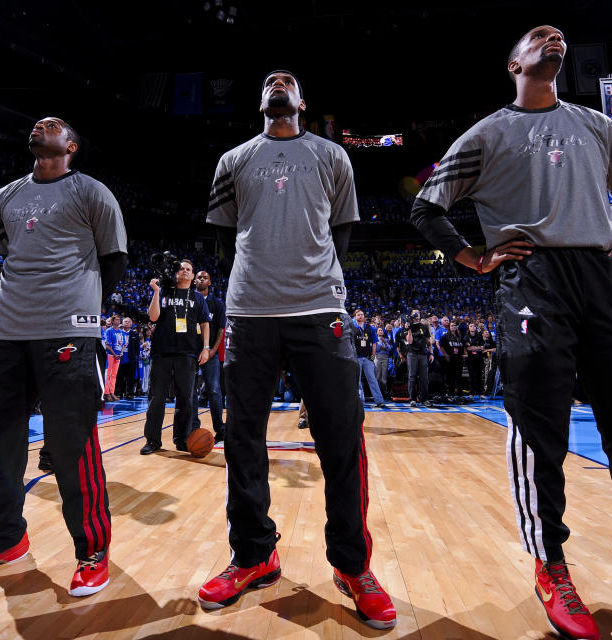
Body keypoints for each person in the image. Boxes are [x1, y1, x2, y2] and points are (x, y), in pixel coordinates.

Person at [408, 26, 612, 640]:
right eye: (536, 35)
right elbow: (425, 207)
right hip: (533, 277)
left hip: (601, 277)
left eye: (557, 32)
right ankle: (552, 566)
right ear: (514, 62)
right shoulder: (486, 133)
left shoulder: (598, 125)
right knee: (540, 427)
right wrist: (475, 258)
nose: (552, 34)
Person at [200, 70, 395, 629]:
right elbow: (223, 237)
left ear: (302, 102)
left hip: (319, 311)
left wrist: (315, 281)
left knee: (340, 438)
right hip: (251, 314)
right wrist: (253, 284)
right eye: (268, 81)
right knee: (243, 439)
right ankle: (254, 555)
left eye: (287, 81)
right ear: (261, 102)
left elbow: (342, 233)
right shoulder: (232, 161)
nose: (277, 83)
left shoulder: (334, 157)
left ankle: (353, 567)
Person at [0, 117, 128, 598]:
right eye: (38, 123)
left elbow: (114, 259)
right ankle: (2, 539)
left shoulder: (92, 192)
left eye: (55, 125)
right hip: (6, 331)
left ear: (71, 144)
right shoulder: (4, 195)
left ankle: (91, 549)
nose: (42, 125)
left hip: (67, 329)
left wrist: (80, 308)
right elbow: (6, 253)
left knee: (72, 443)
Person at [139, 260, 210, 454]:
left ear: (193, 275)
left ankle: (182, 439)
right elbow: (153, 317)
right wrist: (155, 292)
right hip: (161, 352)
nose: (185, 271)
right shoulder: (164, 292)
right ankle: (152, 440)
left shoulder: (197, 297)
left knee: (185, 399)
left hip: (188, 353)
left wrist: (206, 348)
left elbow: (205, 323)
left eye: (189, 269)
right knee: (157, 399)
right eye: (181, 269)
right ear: (176, 273)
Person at [192, 270, 227, 441]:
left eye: (205, 277)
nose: (202, 279)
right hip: (191, 354)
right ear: (194, 281)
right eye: (199, 277)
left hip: (210, 354)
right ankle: (193, 428)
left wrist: (212, 351)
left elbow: (221, 329)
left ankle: (220, 428)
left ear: (210, 282)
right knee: (190, 391)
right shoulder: (189, 301)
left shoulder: (217, 303)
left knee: (214, 390)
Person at [352, 309, 385, 407]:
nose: (361, 316)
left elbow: (374, 342)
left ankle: (379, 401)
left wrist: (373, 355)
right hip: (356, 357)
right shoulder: (352, 327)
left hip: (367, 358)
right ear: (355, 317)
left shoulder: (370, 328)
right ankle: (360, 401)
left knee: (372, 379)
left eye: (362, 315)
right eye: (358, 315)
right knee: (357, 381)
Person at [405, 309, 432, 407]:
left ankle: (424, 399)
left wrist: (431, 353)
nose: (417, 315)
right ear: (411, 316)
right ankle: (412, 399)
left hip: (423, 354)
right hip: (412, 354)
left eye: (418, 313)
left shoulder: (424, 327)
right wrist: (409, 330)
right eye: (415, 314)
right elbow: (410, 341)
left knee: (424, 377)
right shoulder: (408, 326)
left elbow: (428, 342)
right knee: (412, 377)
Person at [102, 315, 127, 402]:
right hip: (110, 355)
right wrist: (114, 354)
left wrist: (121, 353)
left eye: (119, 320)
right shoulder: (109, 331)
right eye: (116, 320)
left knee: (114, 375)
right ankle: (106, 393)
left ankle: (112, 392)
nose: (118, 321)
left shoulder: (120, 332)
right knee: (108, 374)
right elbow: (107, 345)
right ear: (112, 321)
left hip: (118, 356)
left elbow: (123, 344)